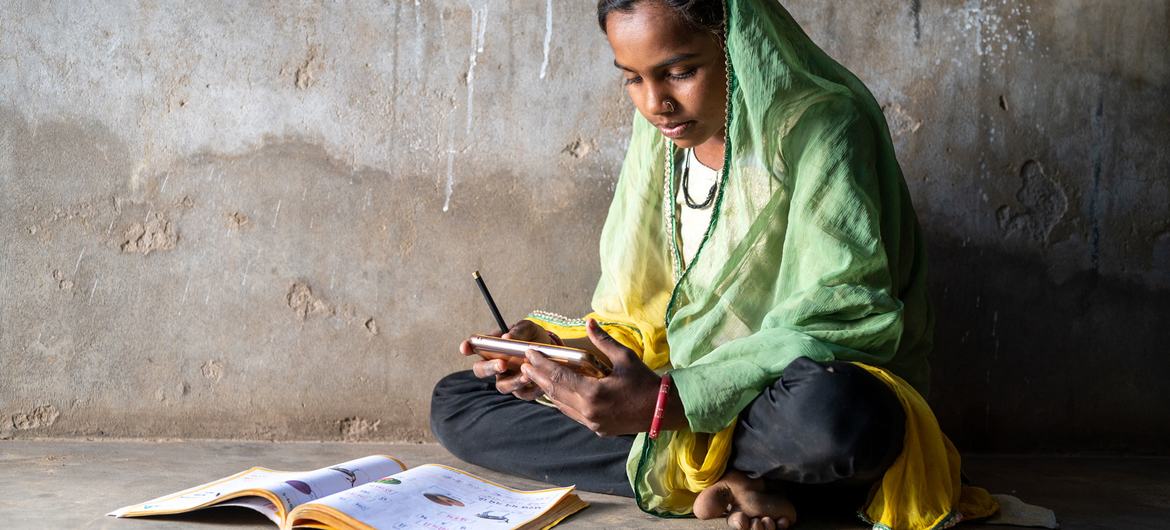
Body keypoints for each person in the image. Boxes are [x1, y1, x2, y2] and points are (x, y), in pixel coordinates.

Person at [431, 1, 999, 529]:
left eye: (679, 71)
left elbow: (844, 315)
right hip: (679, 388)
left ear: (734, 43)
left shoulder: (823, 126)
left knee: (841, 416)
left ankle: (685, 460)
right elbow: (640, 309)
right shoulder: (662, 135)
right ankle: (736, 476)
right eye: (633, 78)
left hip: (788, 391)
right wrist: (568, 361)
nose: (656, 104)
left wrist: (672, 404)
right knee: (457, 402)